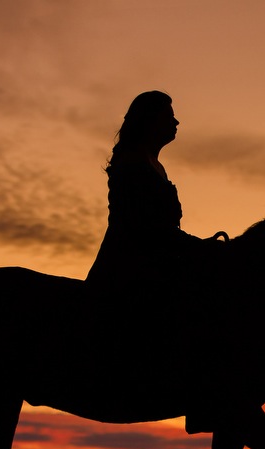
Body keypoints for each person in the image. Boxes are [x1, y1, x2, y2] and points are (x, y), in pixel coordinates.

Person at [86, 91, 206, 296]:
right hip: (128, 275)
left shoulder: (151, 164)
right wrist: (199, 247)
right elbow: (148, 228)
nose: (176, 122)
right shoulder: (134, 163)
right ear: (150, 121)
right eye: (169, 116)